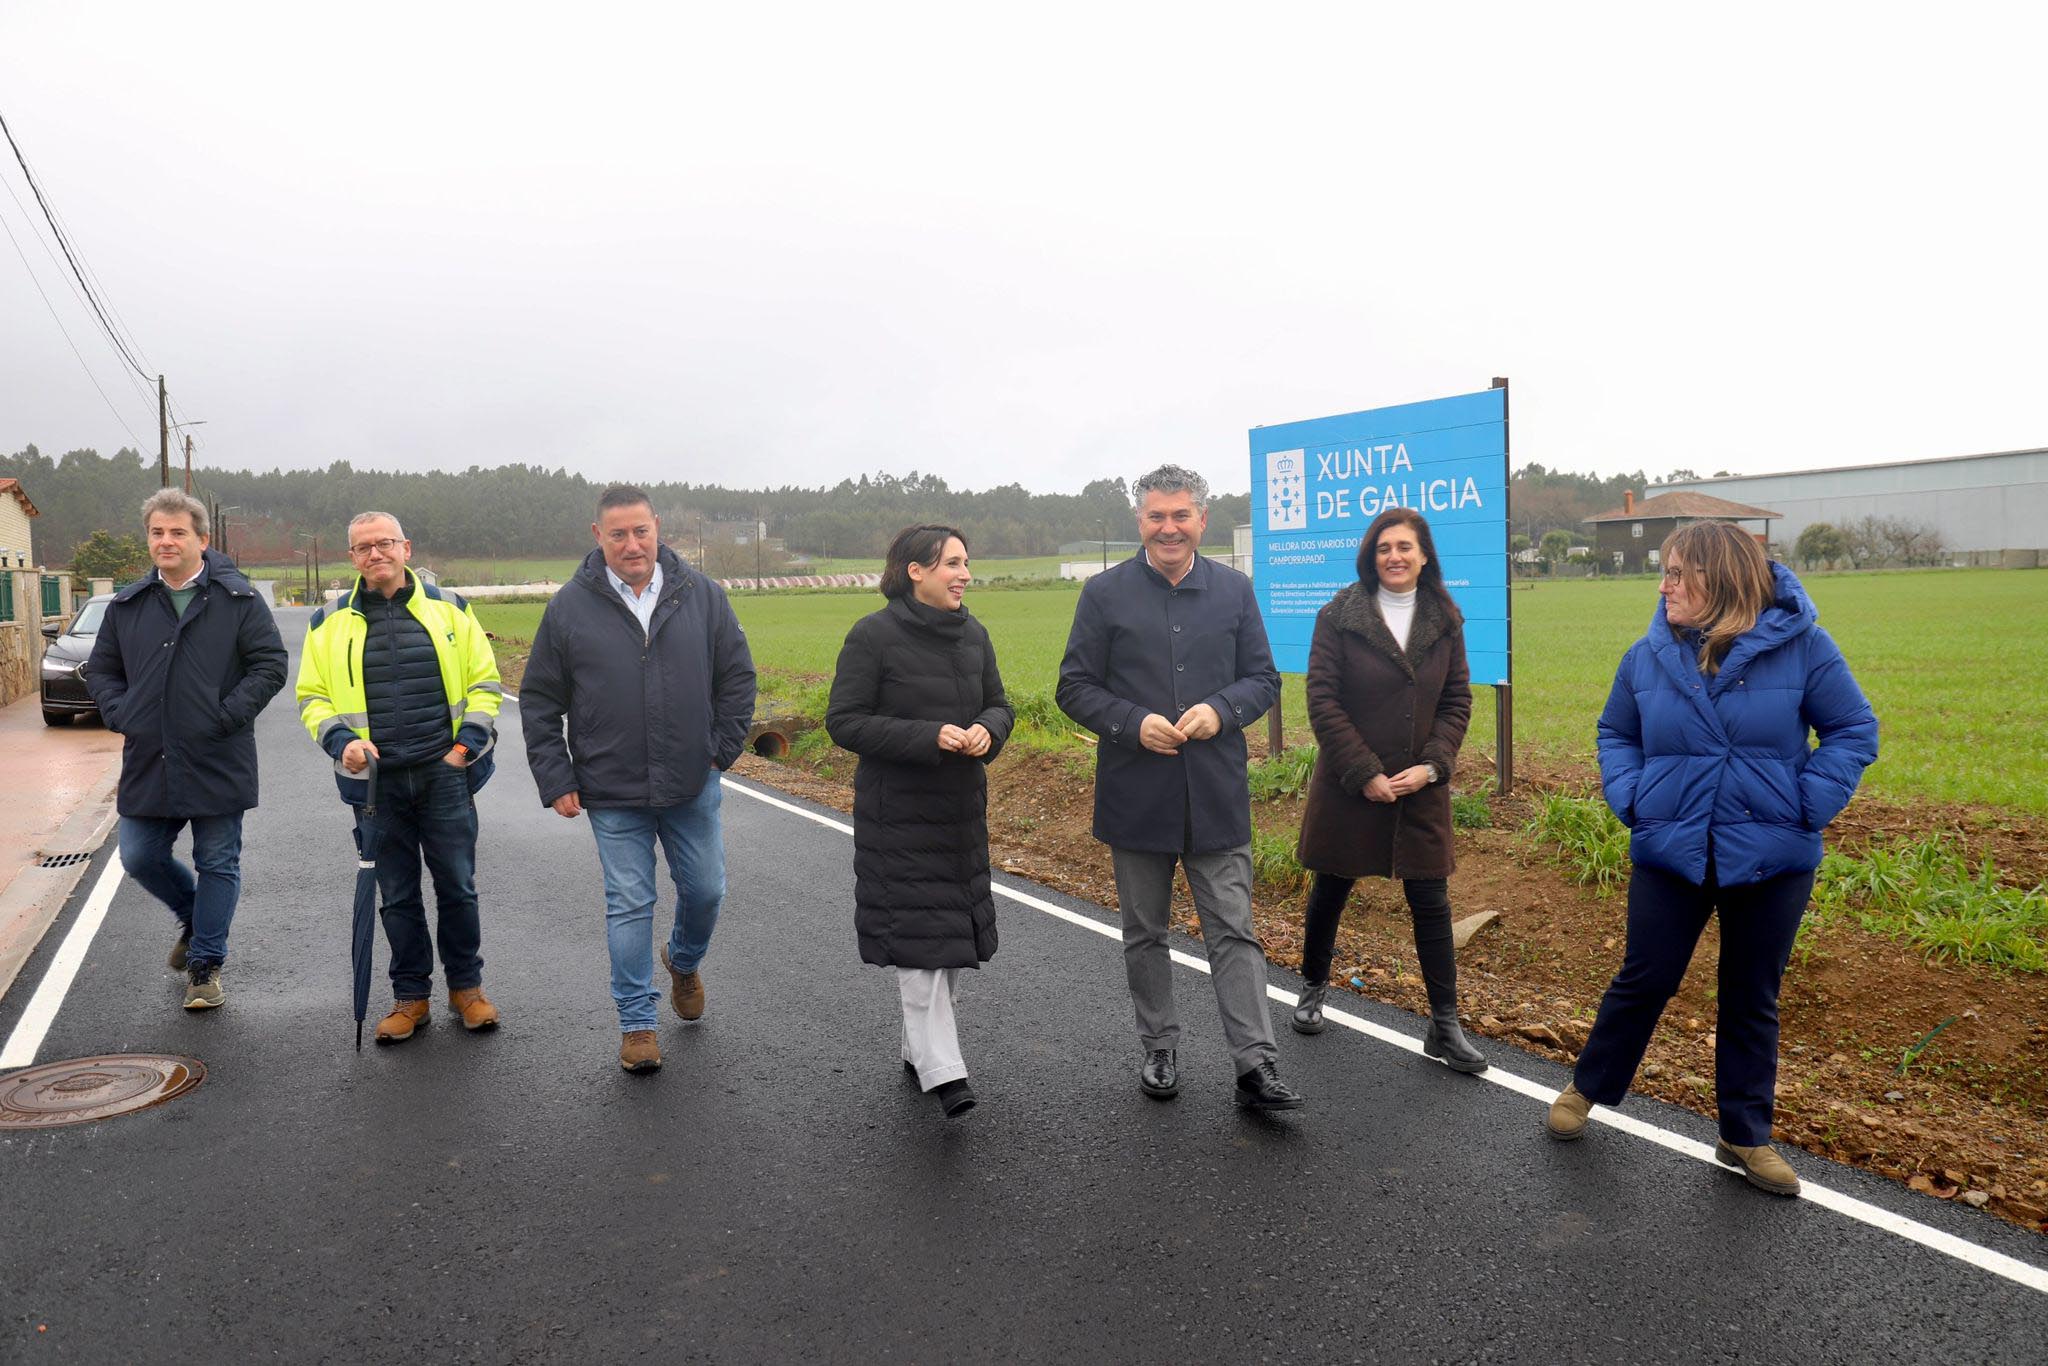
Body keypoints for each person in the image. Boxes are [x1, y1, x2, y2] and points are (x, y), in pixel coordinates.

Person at [1546, 521, 1878, 1196]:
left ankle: (1744, 1134)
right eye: (1664, 572)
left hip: (1772, 856)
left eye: (1676, 573)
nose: (1663, 586)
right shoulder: (1646, 656)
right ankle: (1587, 1087)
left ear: (1718, 578)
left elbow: (1853, 729)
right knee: (1645, 977)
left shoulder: (1805, 647)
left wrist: (1806, 803)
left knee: (1752, 994)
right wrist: (1634, 798)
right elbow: (1616, 732)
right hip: (1672, 848)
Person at [1056, 464, 1303, 1110]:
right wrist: (1131, 723)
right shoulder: (1103, 595)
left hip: (1215, 794)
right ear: (1139, 521)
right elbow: (1073, 687)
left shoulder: (1235, 591)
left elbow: (1264, 679)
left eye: (1181, 515)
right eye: (1157, 516)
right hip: (1135, 794)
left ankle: (1256, 1063)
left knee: (1234, 931)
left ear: (1202, 519)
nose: (1169, 528)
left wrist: (1221, 710)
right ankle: (1159, 1046)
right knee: (1145, 931)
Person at [521, 484, 757, 1075]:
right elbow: (540, 700)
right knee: (629, 901)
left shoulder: (702, 595)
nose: (632, 544)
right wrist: (556, 776)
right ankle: (637, 1023)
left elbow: (737, 677)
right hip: (611, 787)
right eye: (619, 534)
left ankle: (683, 961)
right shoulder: (568, 608)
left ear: (658, 528)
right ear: (598, 536)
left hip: (691, 781)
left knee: (706, 891)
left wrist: (720, 751)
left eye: (641, 531)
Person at [1288, 508, 1487, 1073]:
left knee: (1432, 901)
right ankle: (1313, 989)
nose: (1394, 557)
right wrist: (1362, 771)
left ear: (1424, 556)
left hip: (1420, 787)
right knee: (1331, 888)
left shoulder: (1445, 619)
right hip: (1350, 783)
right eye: (1383, 548)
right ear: (1370, 557)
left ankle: (1444, 1025)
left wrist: (1434, 766)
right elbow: (1322, 700)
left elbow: (1456, 701)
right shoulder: (1338, 616)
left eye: (1404, 547)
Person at [826, 526, 1013, 1119]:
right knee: (920, 947)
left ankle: (917, 1052)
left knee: (949, 945)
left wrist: (987, 730)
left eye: (965, 563)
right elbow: (844, 721)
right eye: (952, 563)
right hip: (898, 817)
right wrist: (928, 736)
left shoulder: (974, 634)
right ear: (916, 570)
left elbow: (1000, 705)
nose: (964, 574)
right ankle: (944, 1072)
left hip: (960, 814)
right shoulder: (873, 636)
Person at [296, 512, 505, 1043]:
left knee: (457, 887)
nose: (376, 554)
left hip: (444, 774)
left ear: (406, 548)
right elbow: (313, 698)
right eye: (363, 547)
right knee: (396, 894)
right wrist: (342, 743)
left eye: (384, 543)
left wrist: (464, 749)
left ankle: (467, 989)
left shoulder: (451, 608)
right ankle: (411, 997)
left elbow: (485, 684)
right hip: (376, 786)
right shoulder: (326, 622)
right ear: (353, 558)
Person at [84, 488, 288, 1010]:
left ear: (203, 539)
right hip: (149, 756)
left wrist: (225, 716)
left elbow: (270, 665)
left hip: (217, 753)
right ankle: (197, 918)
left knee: (217, 859)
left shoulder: (238, 600)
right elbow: (103, 670)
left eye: (178, 532)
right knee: (139, 855)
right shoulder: (127, 605)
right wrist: (122, 713)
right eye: (157, 532)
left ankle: (205, 964)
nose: (166, 541)